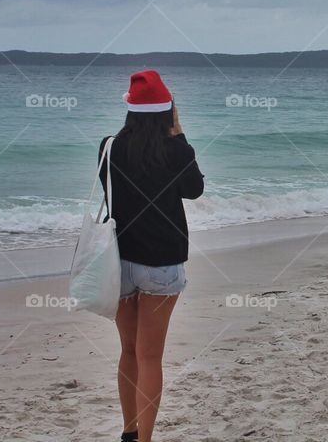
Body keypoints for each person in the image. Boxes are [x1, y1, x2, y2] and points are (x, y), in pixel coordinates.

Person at [99, 69, 204, 442]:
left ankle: (129, 432)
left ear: (129, 109)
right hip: (161, 262)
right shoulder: (177, 150)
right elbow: (194, 190)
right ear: (168, 112)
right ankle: (144, 439)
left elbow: (111, 194)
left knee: (128, 351)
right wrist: (181, 135)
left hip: (118, 262)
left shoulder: (109, 145)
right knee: (149, 357)